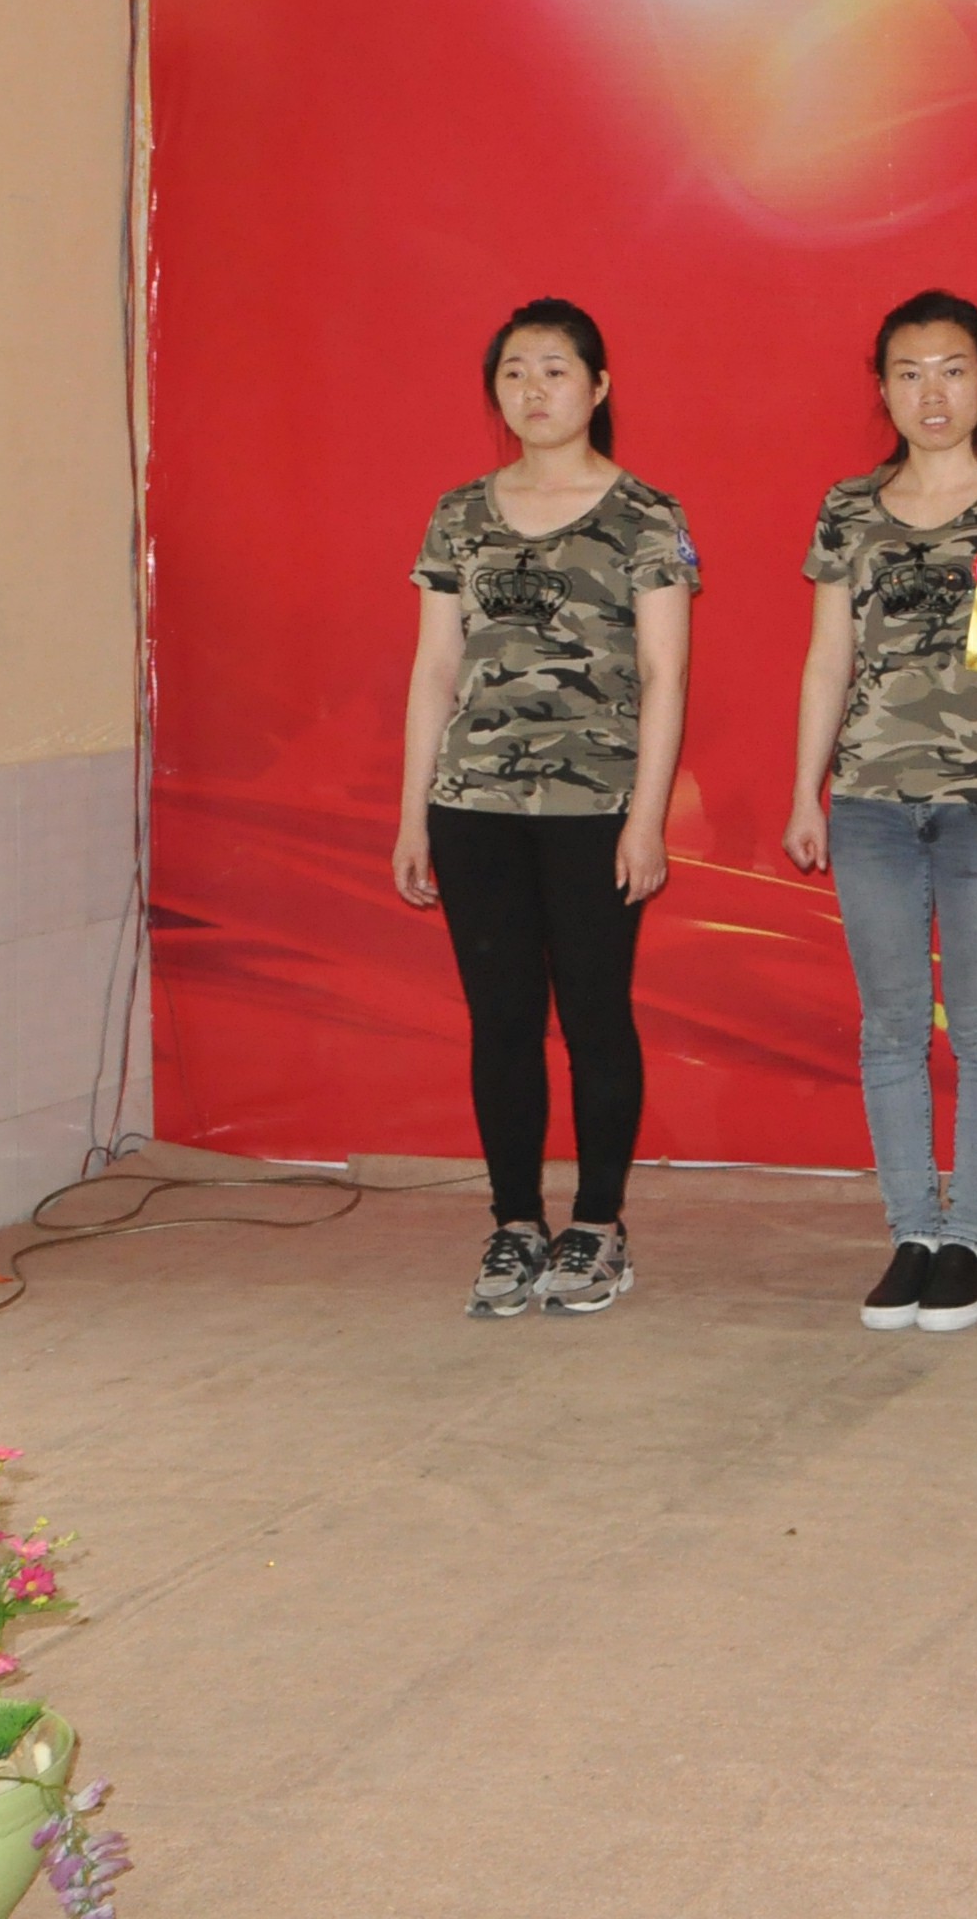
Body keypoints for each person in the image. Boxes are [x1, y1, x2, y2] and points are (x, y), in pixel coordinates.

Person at [785, 290, 977, 1336]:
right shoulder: (848, 508)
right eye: (909, 373)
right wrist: (806, 789)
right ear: (883, 388)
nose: (933, 392)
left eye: (953, 369)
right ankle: (912, 1230)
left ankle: (969, 1237)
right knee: (892, 1027)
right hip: (870, 802)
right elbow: (827, 660)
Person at [393, 299, 696, 1320]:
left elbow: (664, 674)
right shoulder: (458, 514)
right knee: (503, 1023)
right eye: (515, 371)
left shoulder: (645, 514)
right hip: (473, 806)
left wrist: (645, 818)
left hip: (594, 807)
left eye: (556, 370)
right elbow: (434, 671)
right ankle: (516, 1222)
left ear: (598, 387)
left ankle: (599, 1226)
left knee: (597, 1016)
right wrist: (413, 815)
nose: (534, 389)